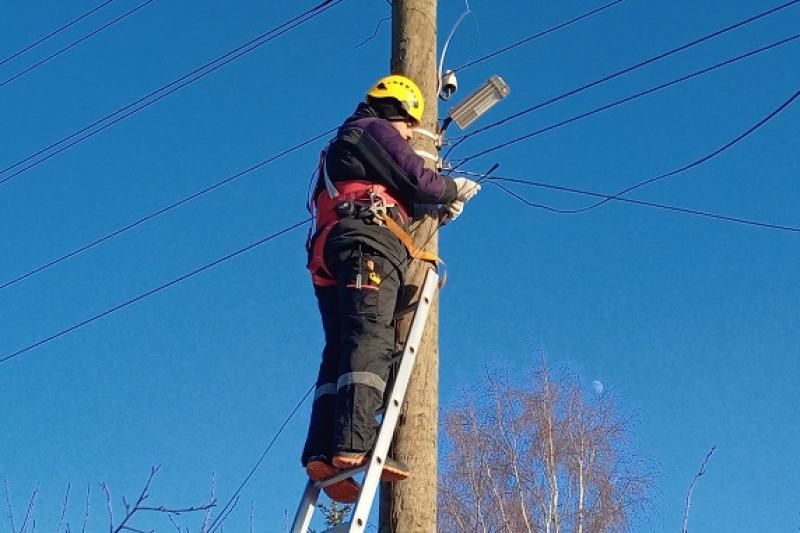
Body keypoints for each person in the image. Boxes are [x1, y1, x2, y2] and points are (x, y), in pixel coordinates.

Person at [302, 74, 480, 502]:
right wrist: (452, 188)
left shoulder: (346, 143)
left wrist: (432, 212)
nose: (406, 134)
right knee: (371, 336)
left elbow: (403, 190)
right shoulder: (374, 129)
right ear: (398, 110)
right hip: (367, 242)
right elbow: (421, 179)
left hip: (332, 246)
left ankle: (322, 452)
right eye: (407, 126)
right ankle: (354, 444)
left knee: (341, 347)